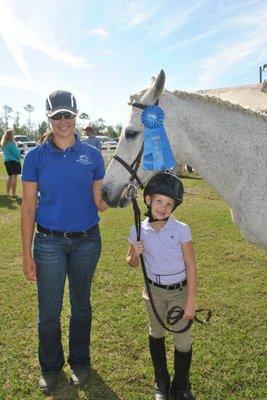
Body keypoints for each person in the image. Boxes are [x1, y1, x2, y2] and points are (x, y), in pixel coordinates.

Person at [21, 89, 108, 393]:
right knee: (49, 311)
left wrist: (119, 195)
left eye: (68, 115)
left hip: (87, 241)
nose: (63, 121)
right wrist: (26, 253)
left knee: (81, 306)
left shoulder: (93, 155)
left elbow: (100, 201)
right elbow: (29, 207)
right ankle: (49, 367)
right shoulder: (34, 157)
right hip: (48, 244)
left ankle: (80, 362)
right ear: (49, 118)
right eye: (57, 116)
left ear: (76, 115)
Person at [126, 172, 197, 400]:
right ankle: (162, 382)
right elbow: (131, 263)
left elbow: (191, 267)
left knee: (182, 341)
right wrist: (135, 255)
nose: (163, 208)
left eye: (169, 204)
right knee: (156, 333)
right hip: (153, 292)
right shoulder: (138, 228)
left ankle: (181, 385)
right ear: (148, 200)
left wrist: (191, 302)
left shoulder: (181, 229)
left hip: (179, 292)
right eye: (159, 201)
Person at [0, 129, 21, 197]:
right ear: (11, 135)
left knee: (10, 177)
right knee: (14, 178)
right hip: (14, 162)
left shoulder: (4, 144)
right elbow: (17, 154)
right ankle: (13, 194)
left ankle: (8, 193)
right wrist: (18, 150)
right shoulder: (11, 144)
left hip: (7, 162)